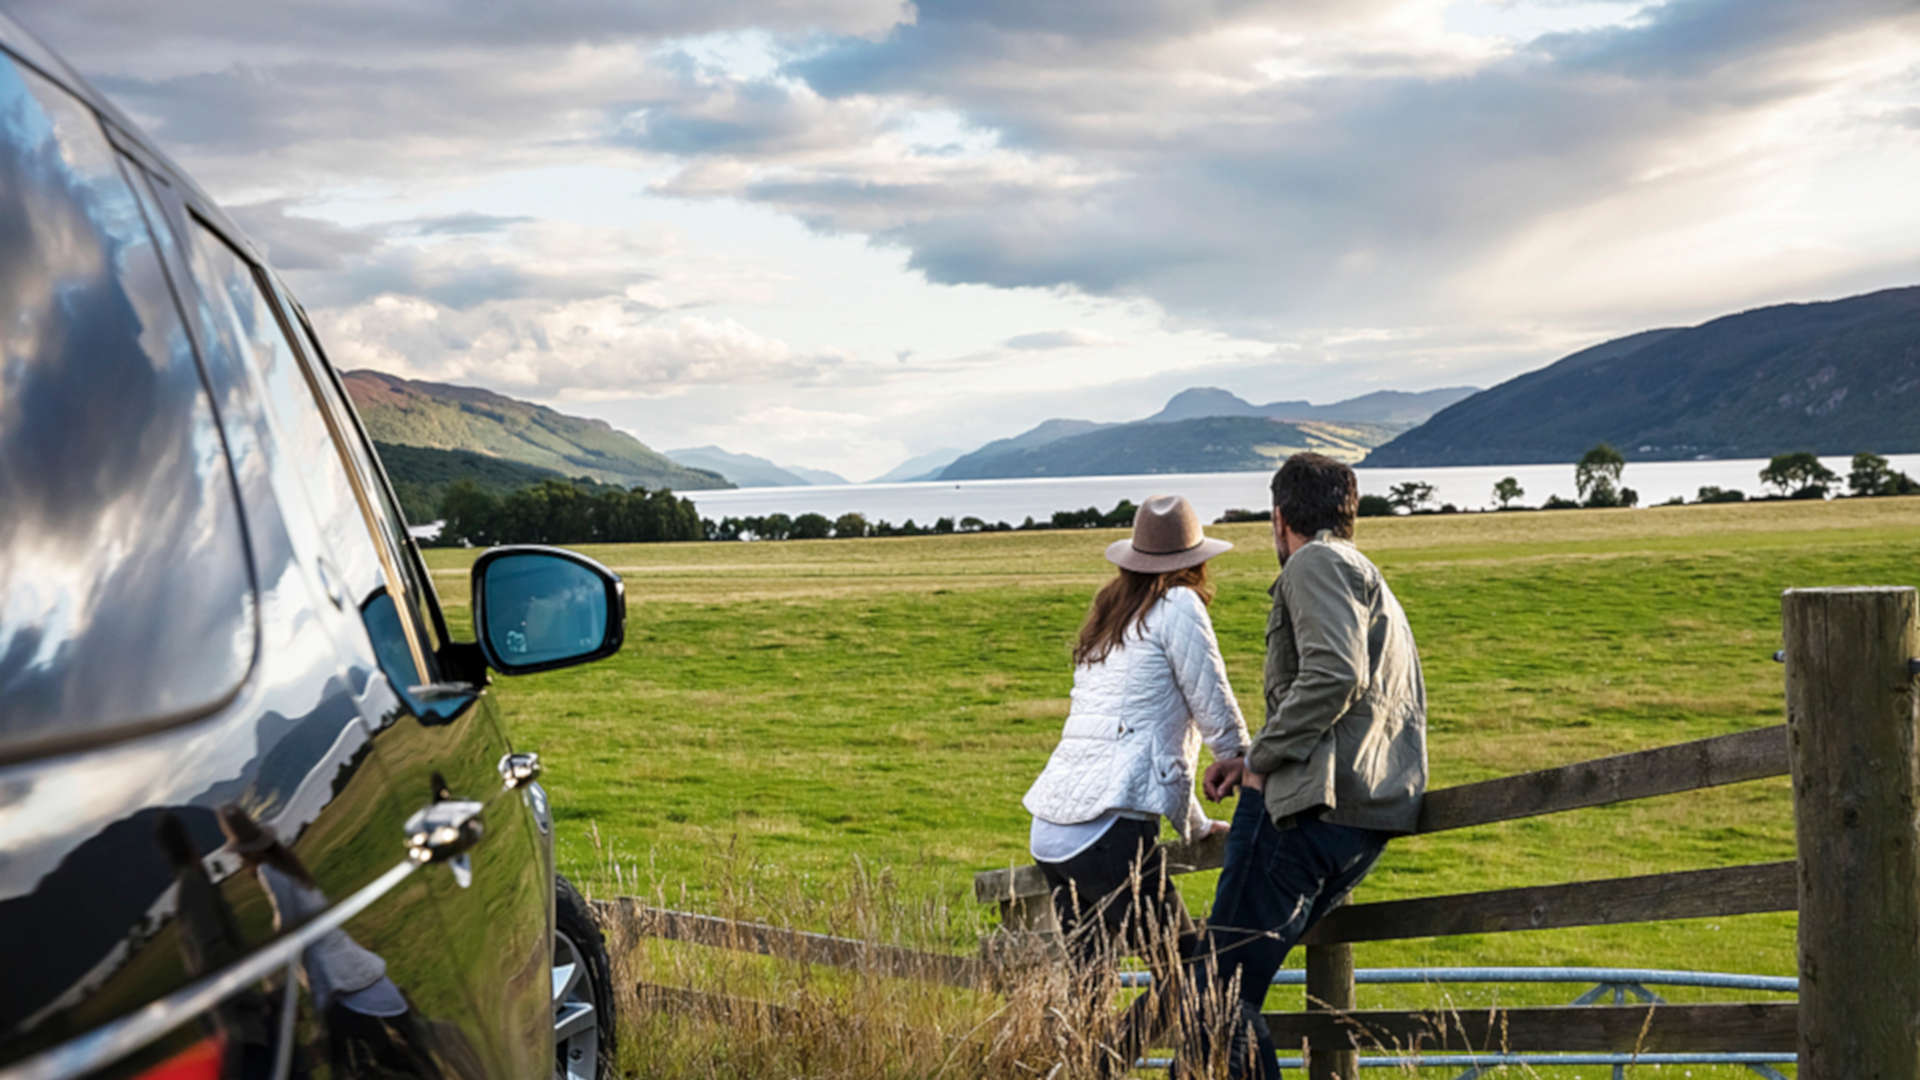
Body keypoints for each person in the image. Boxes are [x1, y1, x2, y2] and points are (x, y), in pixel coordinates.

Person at [1196, 453, 1428, 1080]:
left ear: (1279, 517)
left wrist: (1261, 759)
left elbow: (1335, 675)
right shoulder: (1361, 571)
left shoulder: (1314, 563)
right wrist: (1254, 754)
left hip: (1307, 814)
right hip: (1360, 812)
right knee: (1223, 989)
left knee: (1217, 994)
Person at [1021, 494, 1252, 1067]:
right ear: (1196, 561)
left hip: (1053, 832)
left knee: (1090, 987)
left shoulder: (1112, 616)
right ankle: (1102, 1066)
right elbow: (1209, 697)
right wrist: (1240, 757)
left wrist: (1193, 822)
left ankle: (1083, 1068)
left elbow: (1145, 737)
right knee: (1190, 973)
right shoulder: (1179, 604)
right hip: (1108, 831)